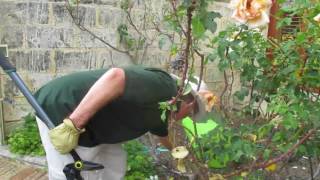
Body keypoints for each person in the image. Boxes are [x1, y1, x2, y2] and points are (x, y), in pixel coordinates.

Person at [34, 65, 205, 180]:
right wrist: (73, 124)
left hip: (97, 126)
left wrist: (179, 153)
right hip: (62, 108)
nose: (186, 119)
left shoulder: (163, 109)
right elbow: (116, 77)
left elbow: (162, 134)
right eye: (190, 114)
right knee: (70, 174)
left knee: (114, 165)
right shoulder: (164, 86)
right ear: (189, 102)